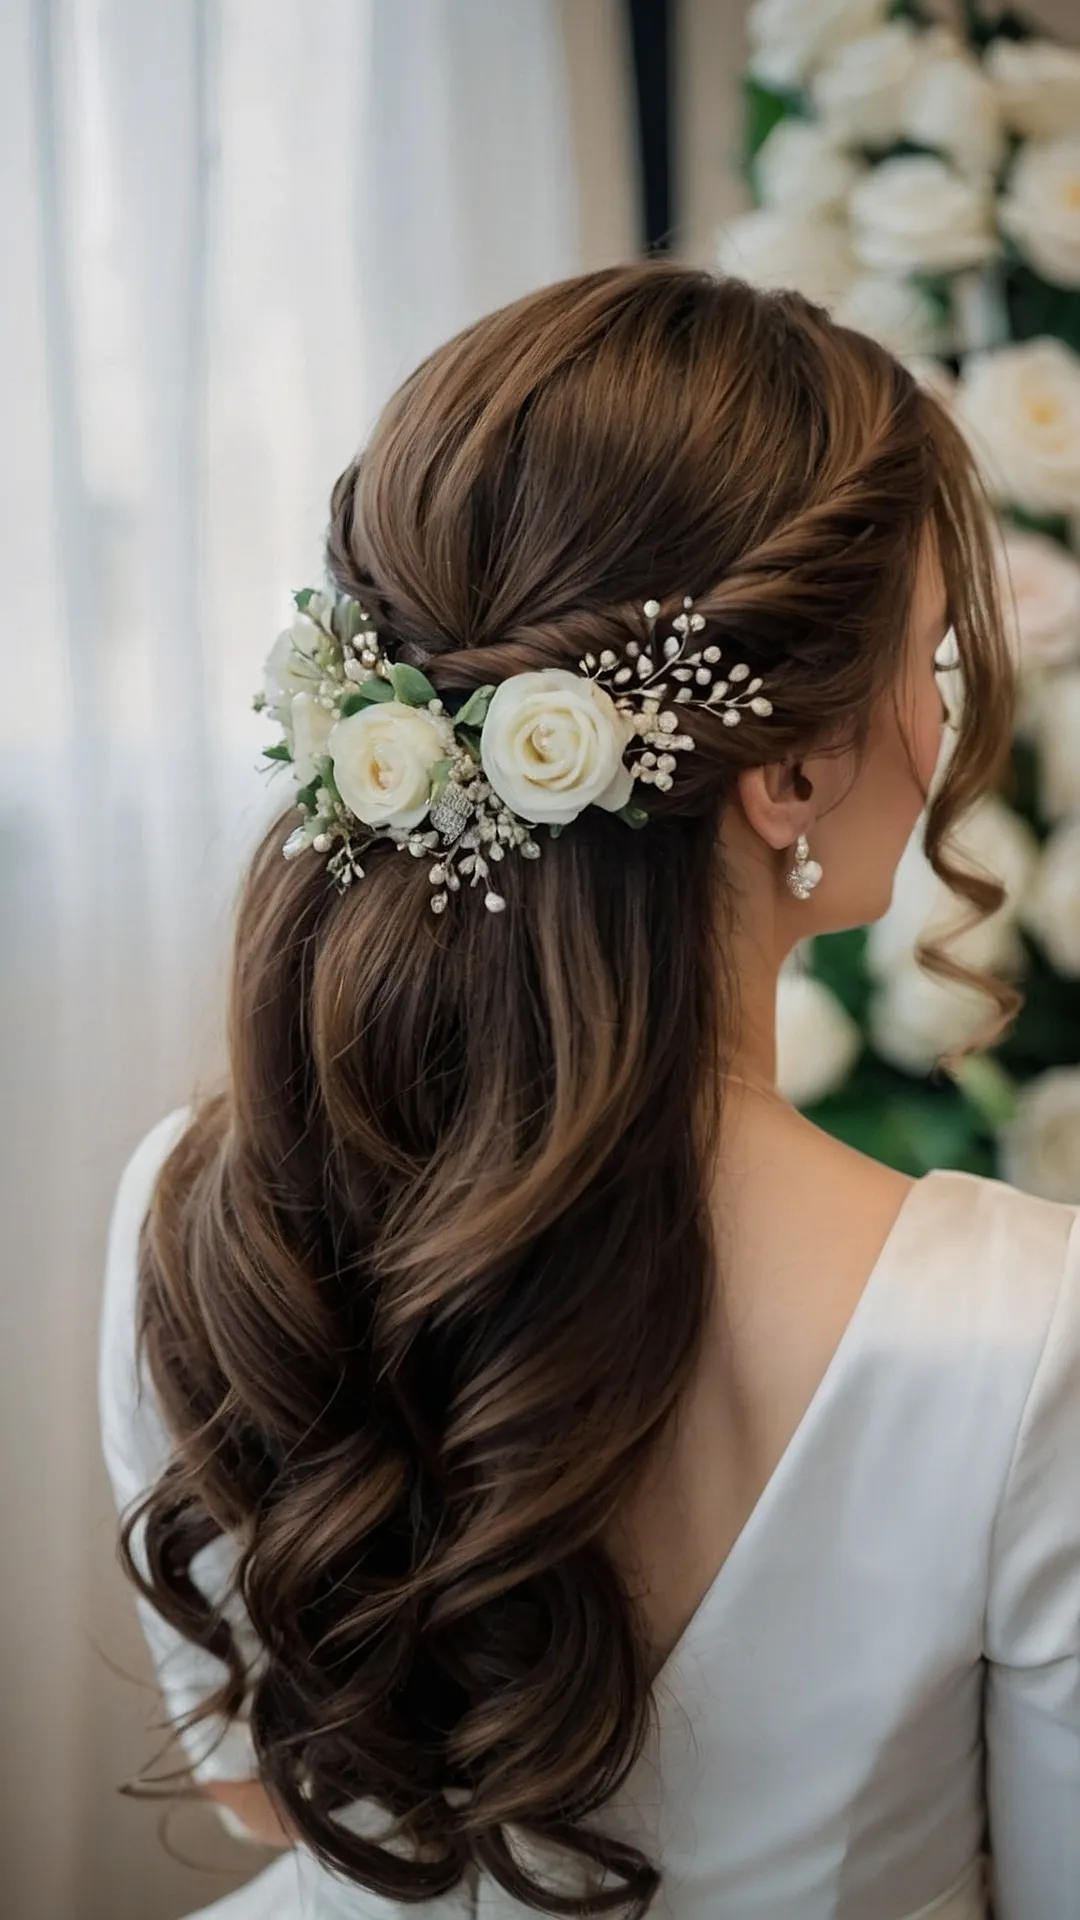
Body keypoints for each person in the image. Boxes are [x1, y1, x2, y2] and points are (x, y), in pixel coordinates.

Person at [98, 263, 1080, 1920]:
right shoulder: (1032, 1328)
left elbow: (262, 1794)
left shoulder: (194, 1202)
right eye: (927, 659)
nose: (939, 716)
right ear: (784, 775)